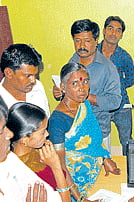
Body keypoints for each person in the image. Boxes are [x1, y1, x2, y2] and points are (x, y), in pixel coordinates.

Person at [49, 63, 120, 201]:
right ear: (62, 87)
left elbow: (95, 138)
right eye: (75, 83)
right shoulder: (57, 121)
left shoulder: (84, 105)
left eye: (85, 81)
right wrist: (81, 199)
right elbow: (60, 166)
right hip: (73, 189)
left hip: (95, 175)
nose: (82, 88)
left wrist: (105, 158)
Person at [53, 19, 121, 152]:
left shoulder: (108, 68)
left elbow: (115, 102)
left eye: (87, 41)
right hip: (72, 130)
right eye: (77, 41)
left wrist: (86, 97)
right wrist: (60, 92)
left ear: (96, 41)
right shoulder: (71, 62)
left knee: (99, 169)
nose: (82, 45)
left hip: (98, 132)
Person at [0, 96, 62, 201]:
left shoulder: (40, 150)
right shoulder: (20, 168)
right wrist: (56, 167)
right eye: (1, 130)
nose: (47, 134)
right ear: (24, 139)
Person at [97, 16, 134, 156]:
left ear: (121, 35)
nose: (113, 33)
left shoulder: (125, 57)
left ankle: (129, 170)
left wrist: (115, 87)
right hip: (98, 104)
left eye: (118, 30)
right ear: (104, 30)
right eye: (110, 28)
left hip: (121, 105)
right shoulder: (93, 52)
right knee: (97, 138)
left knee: (127, 141)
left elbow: (131, 80)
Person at [0, 43, 50, 117]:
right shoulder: (2, 104)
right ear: (8, 73)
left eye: (35, 75)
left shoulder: (37, 87)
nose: (33, 81)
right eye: (28, 76)